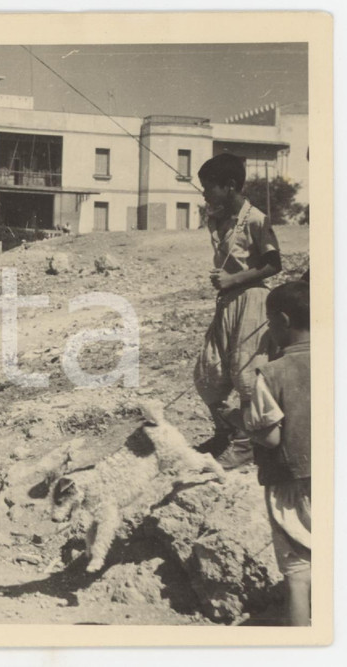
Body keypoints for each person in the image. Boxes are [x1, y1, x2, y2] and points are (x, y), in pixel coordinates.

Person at [194, 153, 282, 469]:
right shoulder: (220, 219)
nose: (204, 193)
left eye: (208, 187)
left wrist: (233, 278)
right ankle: (229, 430)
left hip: (252, 302)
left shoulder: (256, 218)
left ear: (229, 186)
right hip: (228, 302)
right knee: (208, 373)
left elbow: (274, 263)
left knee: (247, 375)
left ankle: (246, 446)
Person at [245, 280, 311, 626]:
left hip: (292, 486)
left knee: (299, 575)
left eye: (269, 322)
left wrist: (249, 427)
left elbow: (270, 439)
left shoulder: (271, 374)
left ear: (283, 321)